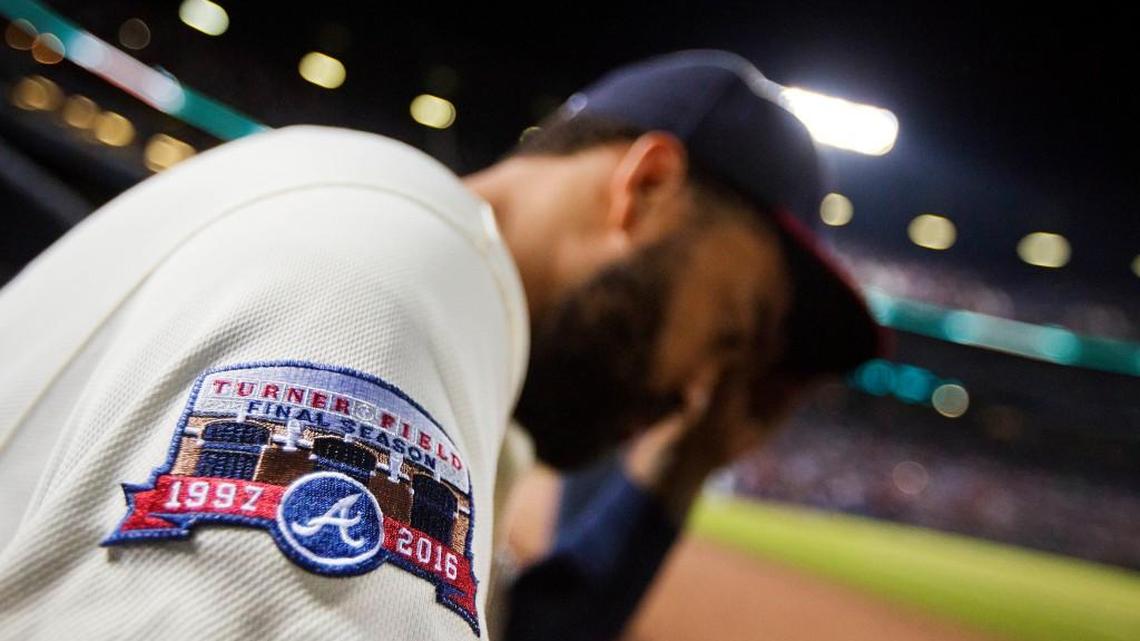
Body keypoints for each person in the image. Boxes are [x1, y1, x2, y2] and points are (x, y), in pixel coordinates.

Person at [0, 50, 883, 640]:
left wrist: (684, 467)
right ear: (644, 188)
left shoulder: (422, 275)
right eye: (727, 329)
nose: (700, 388)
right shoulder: (387, 286)